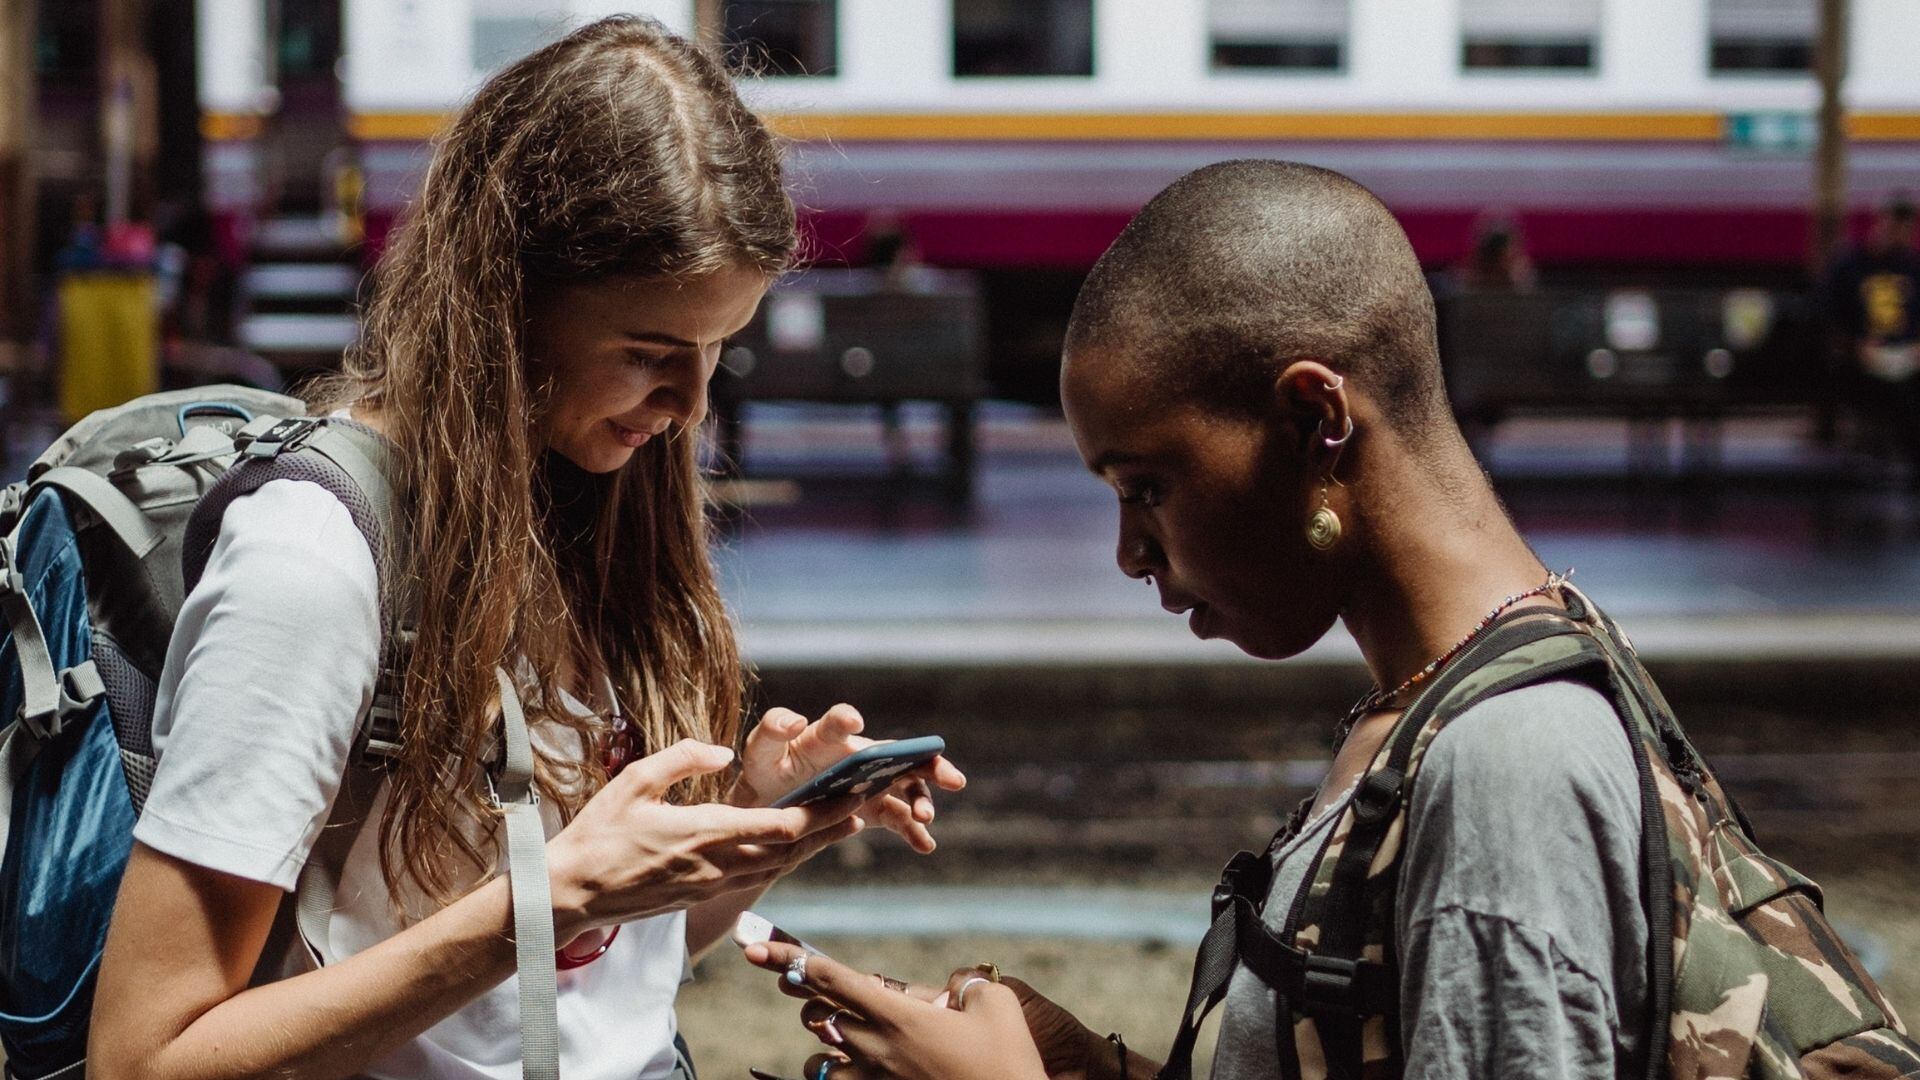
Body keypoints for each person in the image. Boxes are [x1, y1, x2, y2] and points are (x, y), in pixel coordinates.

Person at [88, 17, 961, 1080]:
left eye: (717, 352)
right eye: (651, 355)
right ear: (507, 307)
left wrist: (752, 833)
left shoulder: (575, 502)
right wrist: (551, 899)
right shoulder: (311, 565)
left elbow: (582, 993)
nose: (690, 407)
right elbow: (144, 1058)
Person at [744, 161, 1656, 1079]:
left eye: (1147, 489)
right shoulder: (1436, 708)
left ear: (1314, 419)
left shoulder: (1509, 769)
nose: (1128, 553)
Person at [1825, 193, 1920, 479]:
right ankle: (1910, 460)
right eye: (1896, 228)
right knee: (1901, 394)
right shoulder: (1850, 265)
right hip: (1860, 359)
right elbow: (1829, 315)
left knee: (1908, 387)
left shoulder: (1911, 267)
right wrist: (1855, 345)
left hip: (1907, 355)